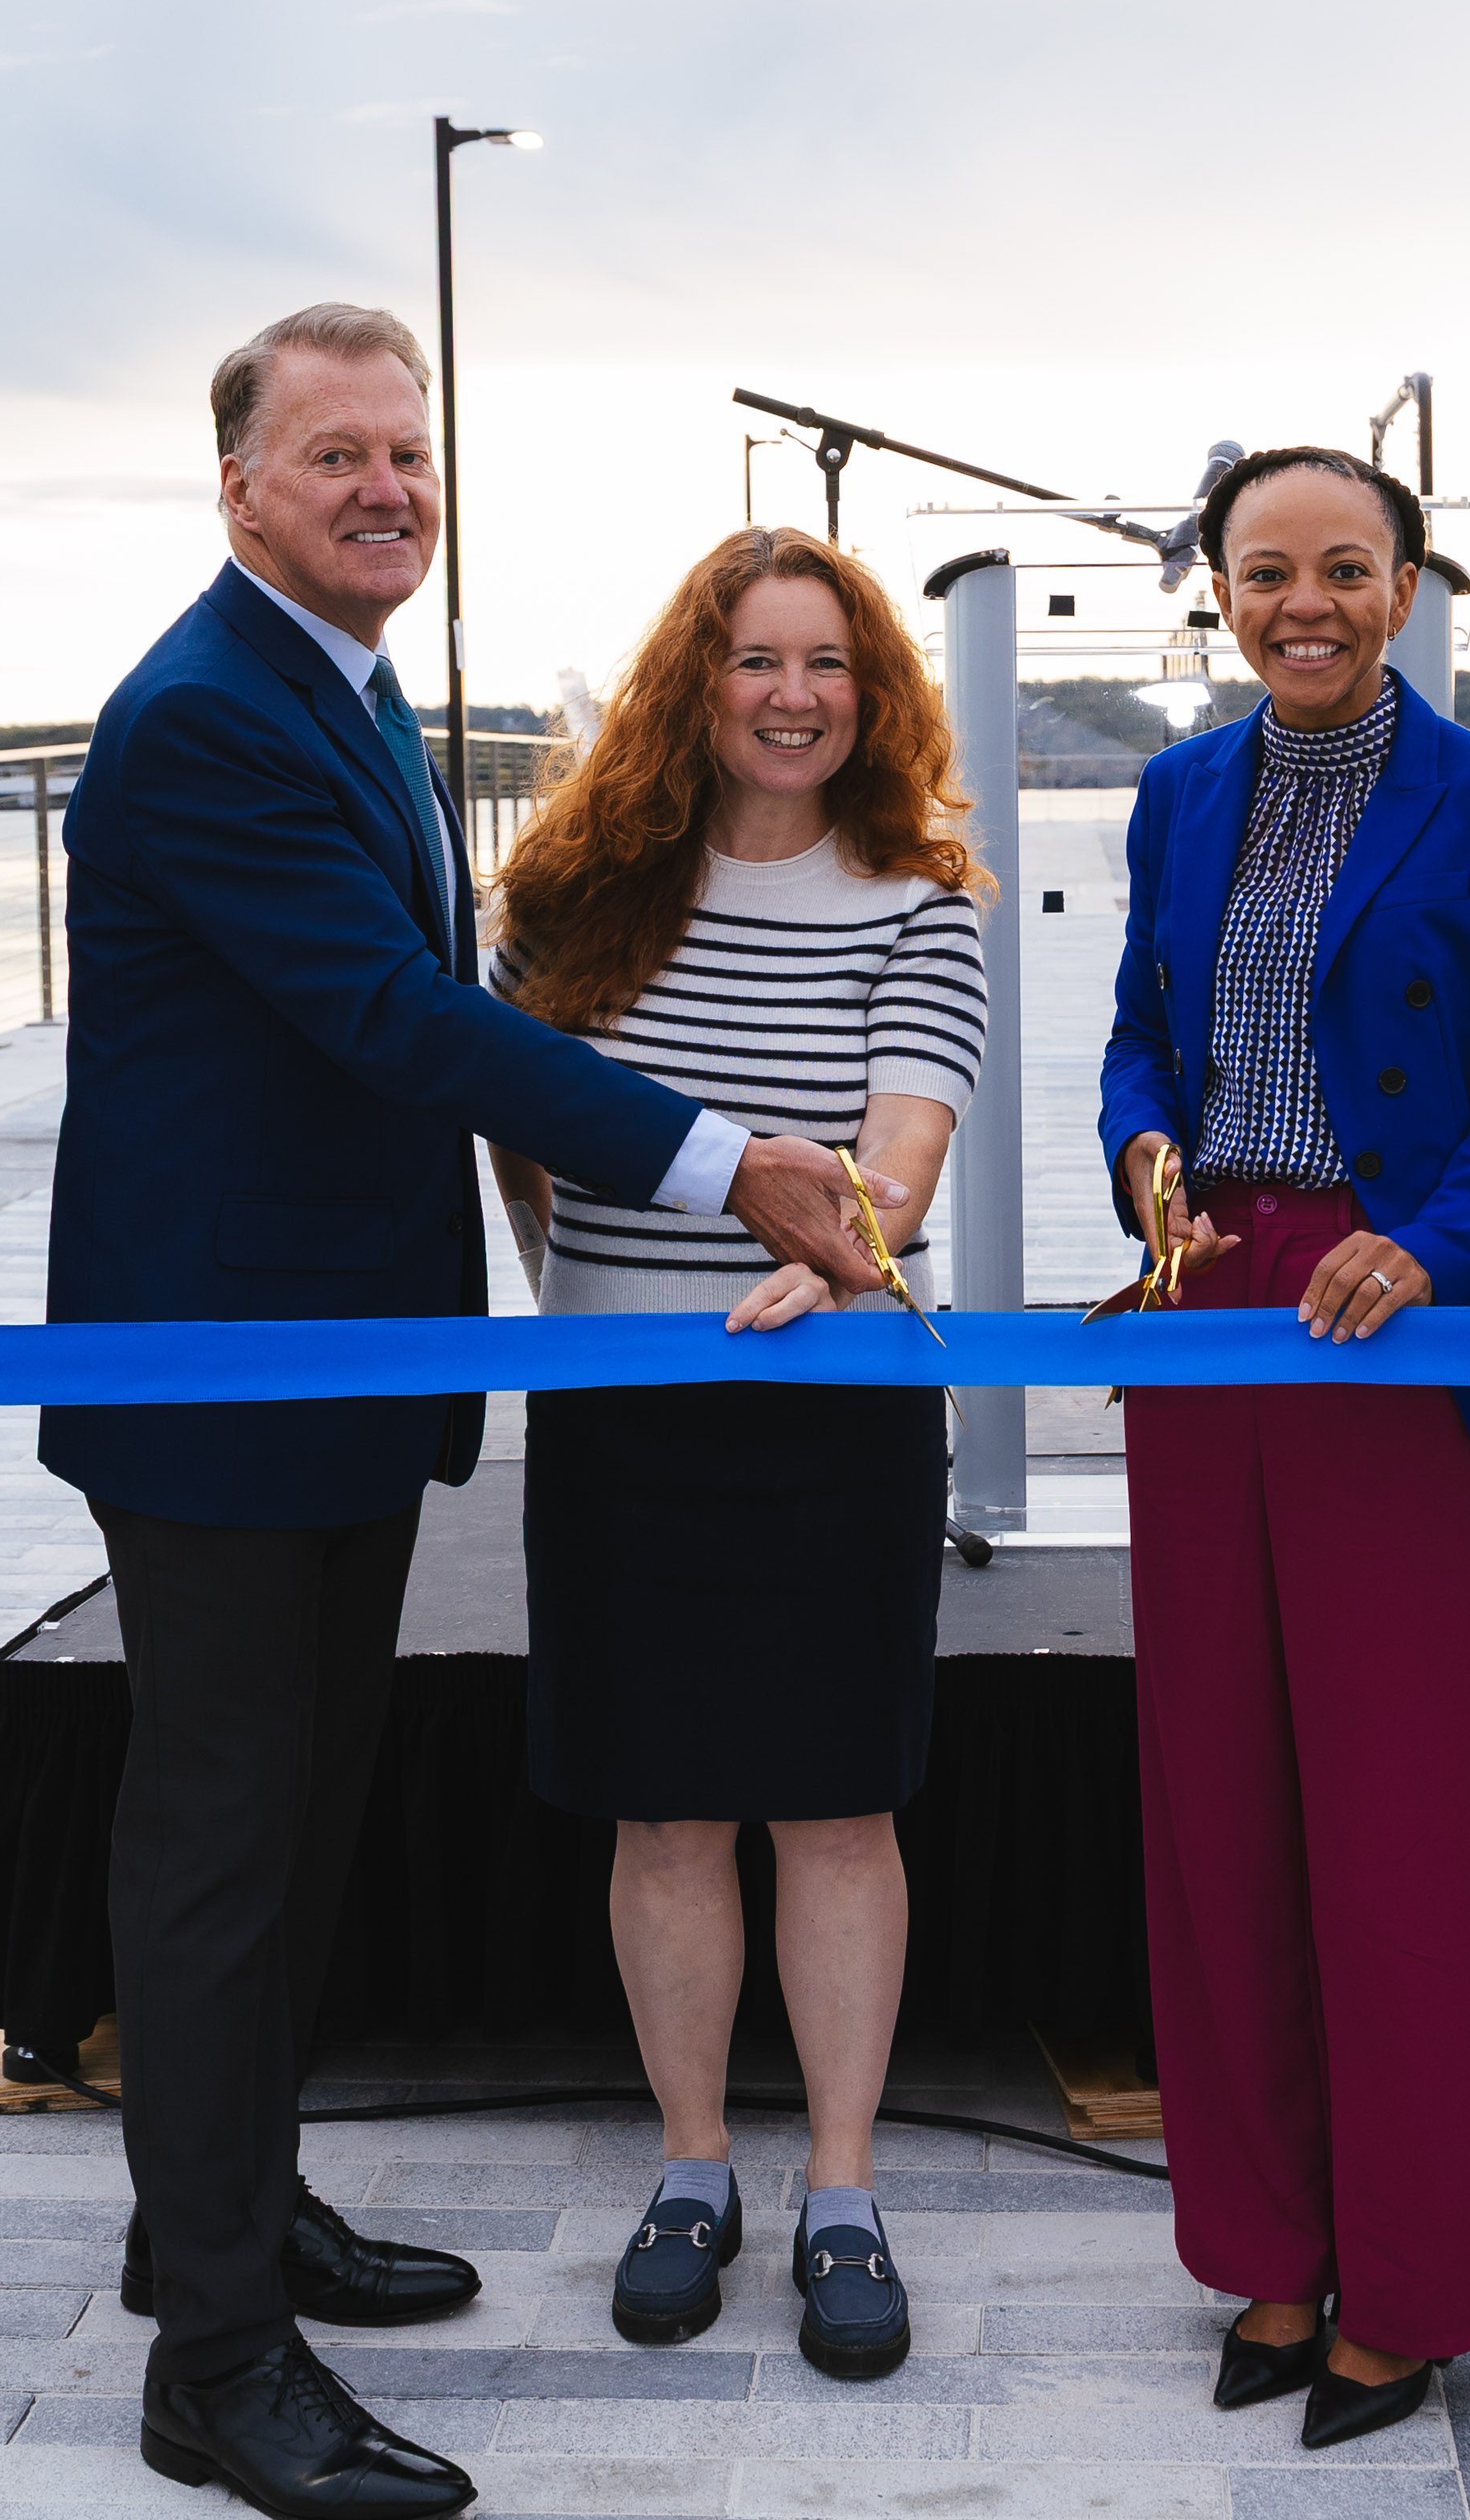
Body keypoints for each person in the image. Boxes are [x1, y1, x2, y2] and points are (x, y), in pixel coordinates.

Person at [44, 307, 895, 2520]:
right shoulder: (211, 712)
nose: (384, 486)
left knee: (306, 1814)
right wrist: (722, 1157)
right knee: (226, 1842)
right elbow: (389, 1015)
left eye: (407, 453)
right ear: (236, 483)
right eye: (333, 453)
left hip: (336, 1370)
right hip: (223, 1378)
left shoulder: (338, 686)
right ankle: (214, 2356)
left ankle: (220, 2203)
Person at [1098, 446, 1470, 2452]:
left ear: (1403, 583)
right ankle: (1270, 2249)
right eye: (1262, 570)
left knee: (1392, 1827)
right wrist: (1142, 1140)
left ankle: (1407, 2281)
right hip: (1211, 1294)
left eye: (1342, 568)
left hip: (1392, 1313)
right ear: (1217, 585)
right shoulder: (1171, 790)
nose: (1300, 601)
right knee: (1211, 1806)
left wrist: (1438, 1240)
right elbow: (1144, 1026)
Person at [485, 525, 987, 2381]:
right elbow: (519, 1133)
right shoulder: (572, 887)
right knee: (663, 1803)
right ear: (690, 684)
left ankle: (840, 2185)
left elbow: (904, 1149)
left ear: (871, 696)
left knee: (836, 1801)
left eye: (825, 664)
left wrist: (841, 1239)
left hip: (837, 1404)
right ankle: (691, 2165)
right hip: (622, 1405)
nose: (791, 694)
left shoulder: (923, 895)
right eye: (755, 659)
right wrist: (584, 1298)